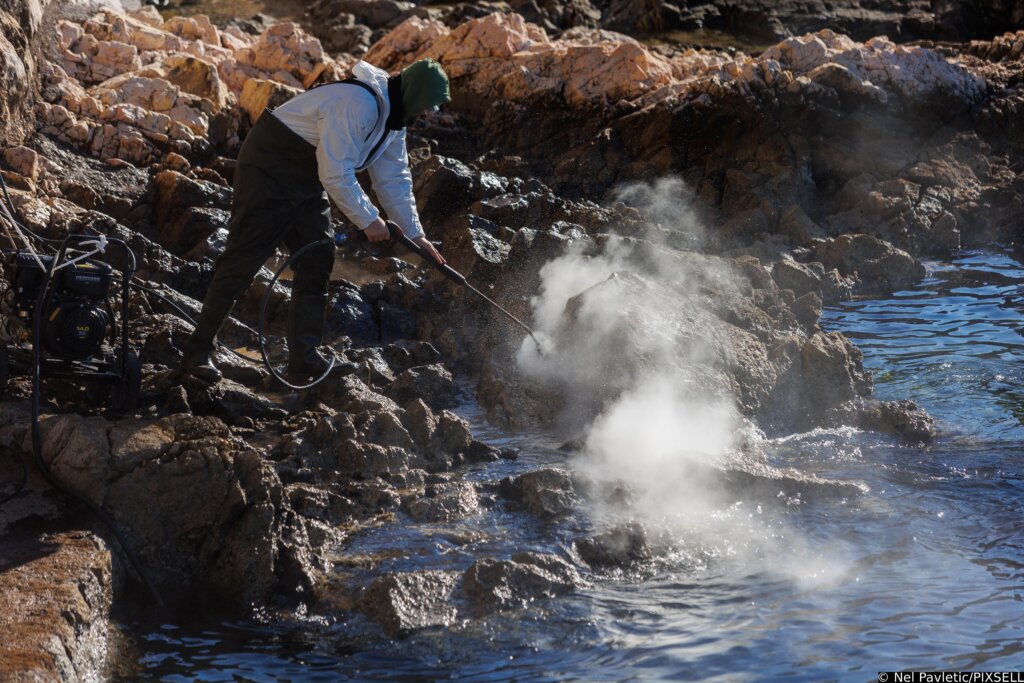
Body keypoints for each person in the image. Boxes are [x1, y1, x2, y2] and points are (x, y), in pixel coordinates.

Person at [181, 59, 450, 383]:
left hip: (307, 180)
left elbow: (394, 178)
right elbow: (336, 171)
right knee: (244, 259)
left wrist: (415, 234)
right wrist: (369, 220)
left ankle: (304, 360)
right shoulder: (358, 104)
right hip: (269, 166)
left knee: (317, 260)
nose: (428, 116)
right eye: (428, 107)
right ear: (415, 94)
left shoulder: (395, 119)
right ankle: (196, 352)